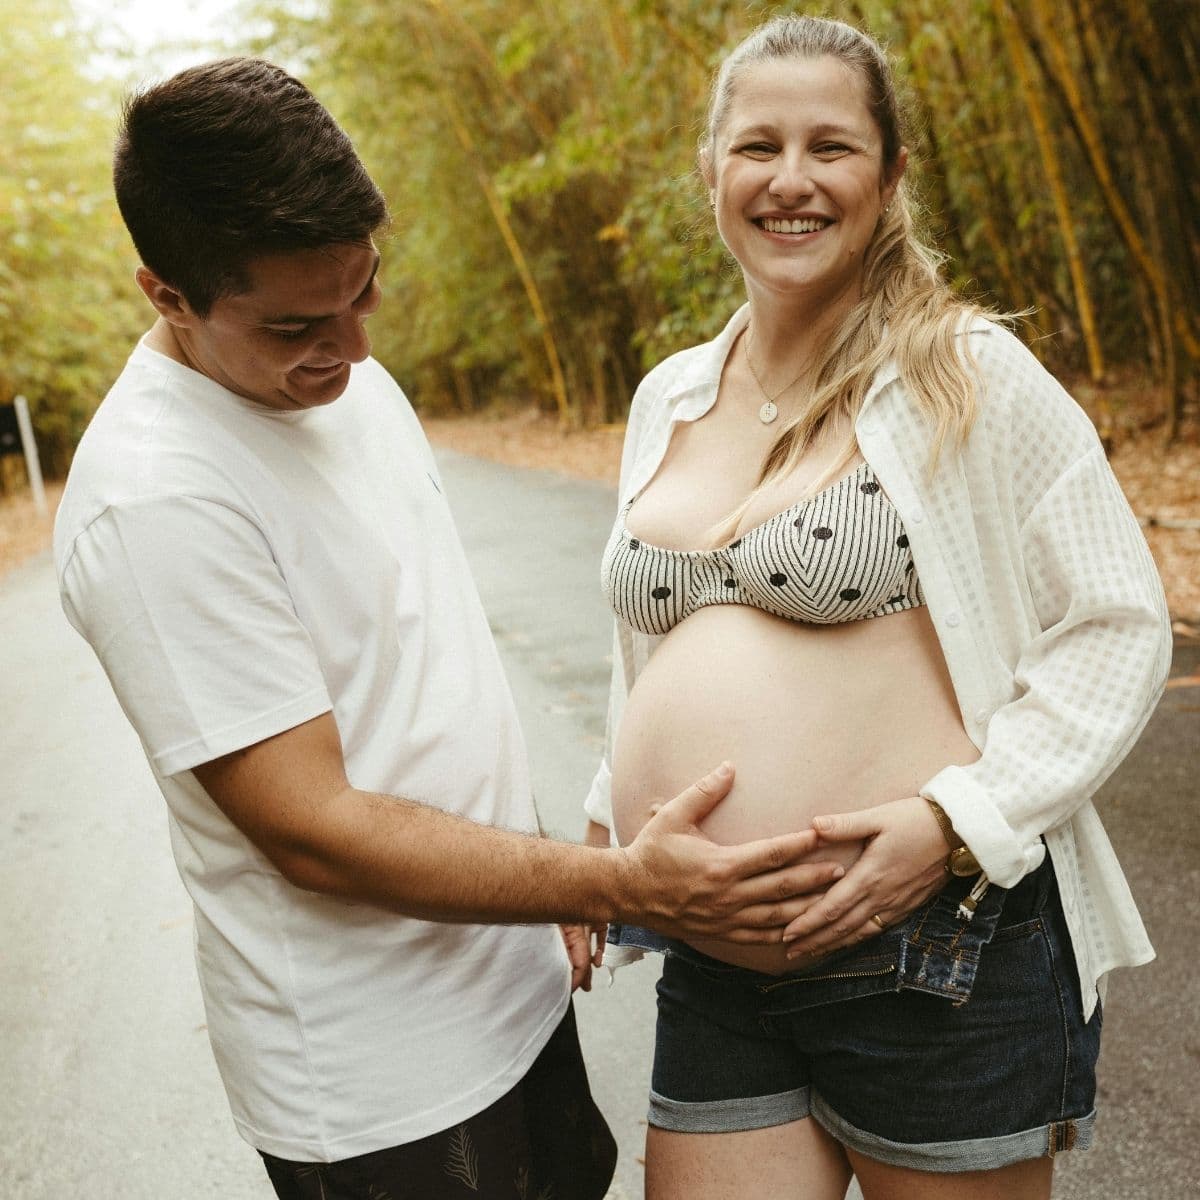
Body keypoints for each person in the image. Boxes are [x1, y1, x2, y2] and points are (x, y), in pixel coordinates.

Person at [52, 58, 845, 1200]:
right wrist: (608, 882)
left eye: (364, 291)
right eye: (296, 325)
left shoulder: (344, 387)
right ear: (166, 295)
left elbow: (426, 674)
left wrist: (557, 887)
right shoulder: (155, 502)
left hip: (507, 994)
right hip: (383, 1082)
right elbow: (313, 829)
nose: (354, 348)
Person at [583, 15, 1171, 1200]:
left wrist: (960, 821)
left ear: (891, 174)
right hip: (712, 951)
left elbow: (1117, 624)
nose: (790, 180)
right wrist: (609, 829)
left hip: (931, 948)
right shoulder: (671, 394)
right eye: (758, 146)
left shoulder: (966, 375)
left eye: (831, 147)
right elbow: (652, 648)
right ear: (711, 172)